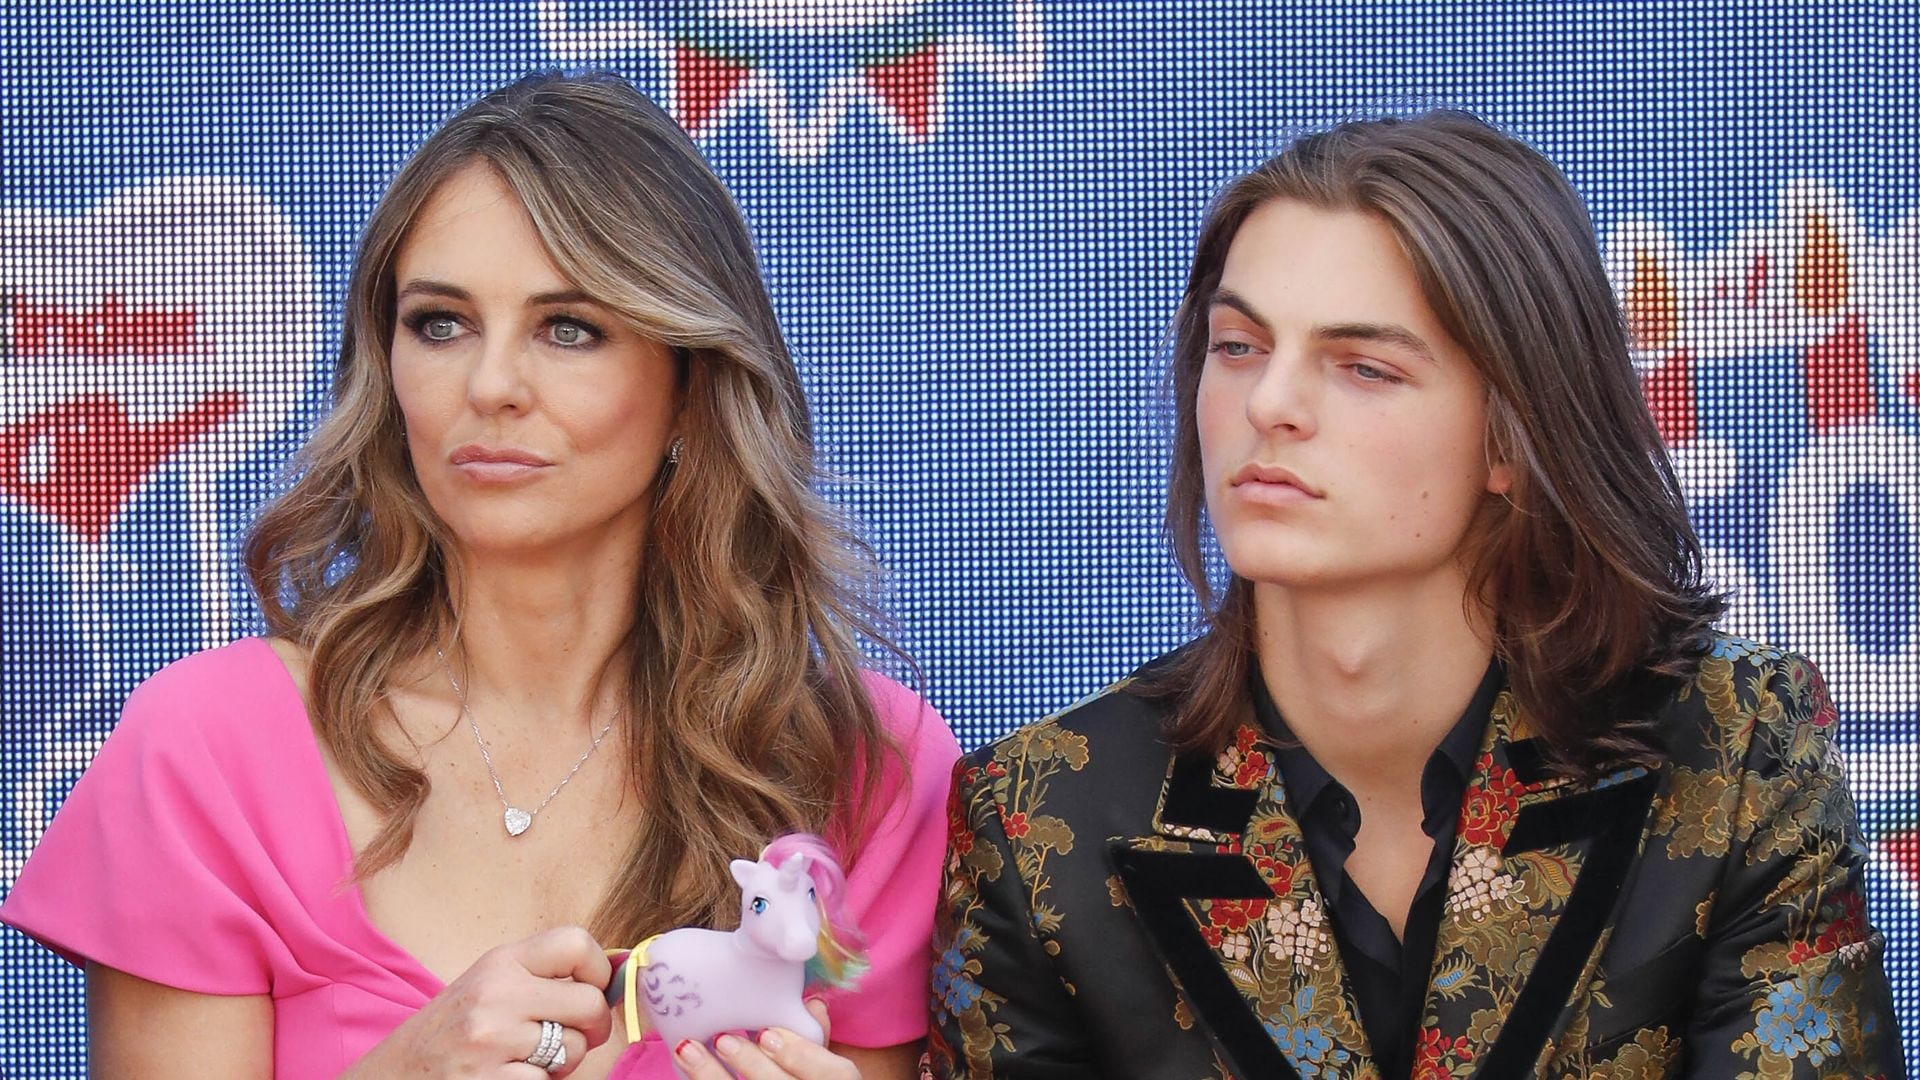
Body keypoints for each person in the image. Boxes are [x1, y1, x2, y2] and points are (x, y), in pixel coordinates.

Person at [1, 71, 959, 1080]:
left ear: (690, 385)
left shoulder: (862, 774)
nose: (490, 386)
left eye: (569, 328)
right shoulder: (211, 749)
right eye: (441, 323)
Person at [928, 111, 1904, 1079]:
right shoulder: (1035, 816)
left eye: (1364, 367)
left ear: (1514, 435)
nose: (1269, 403)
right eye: (1238, 346)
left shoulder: (1736, 755)